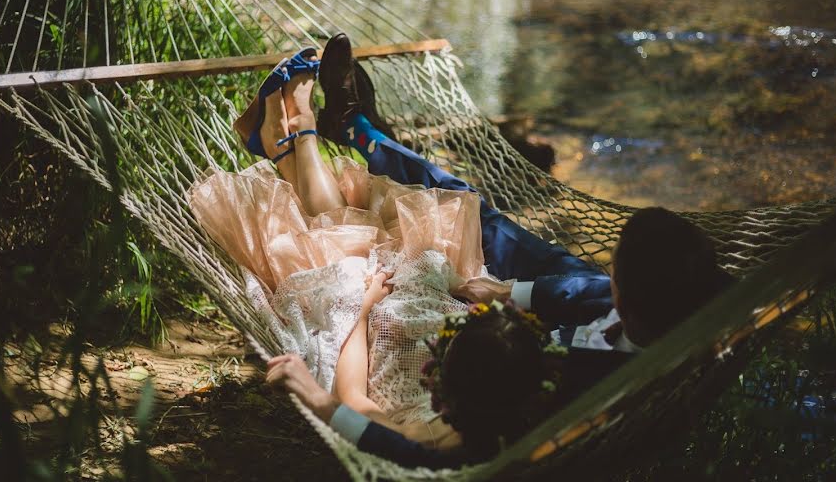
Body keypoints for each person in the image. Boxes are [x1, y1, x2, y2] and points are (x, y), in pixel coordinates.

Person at [263, 33, 732, 468]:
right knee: (466, 209)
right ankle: (354, 129)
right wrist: (512, 293)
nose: (608, 282)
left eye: (614, 279)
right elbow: (598, 293)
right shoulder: (706, 297)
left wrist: (324, 401)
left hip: (506, 353)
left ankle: (310, 137)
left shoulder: (570, 393)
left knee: (392, 239)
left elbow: (422, 448)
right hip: (525, 319)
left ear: (624, 300)